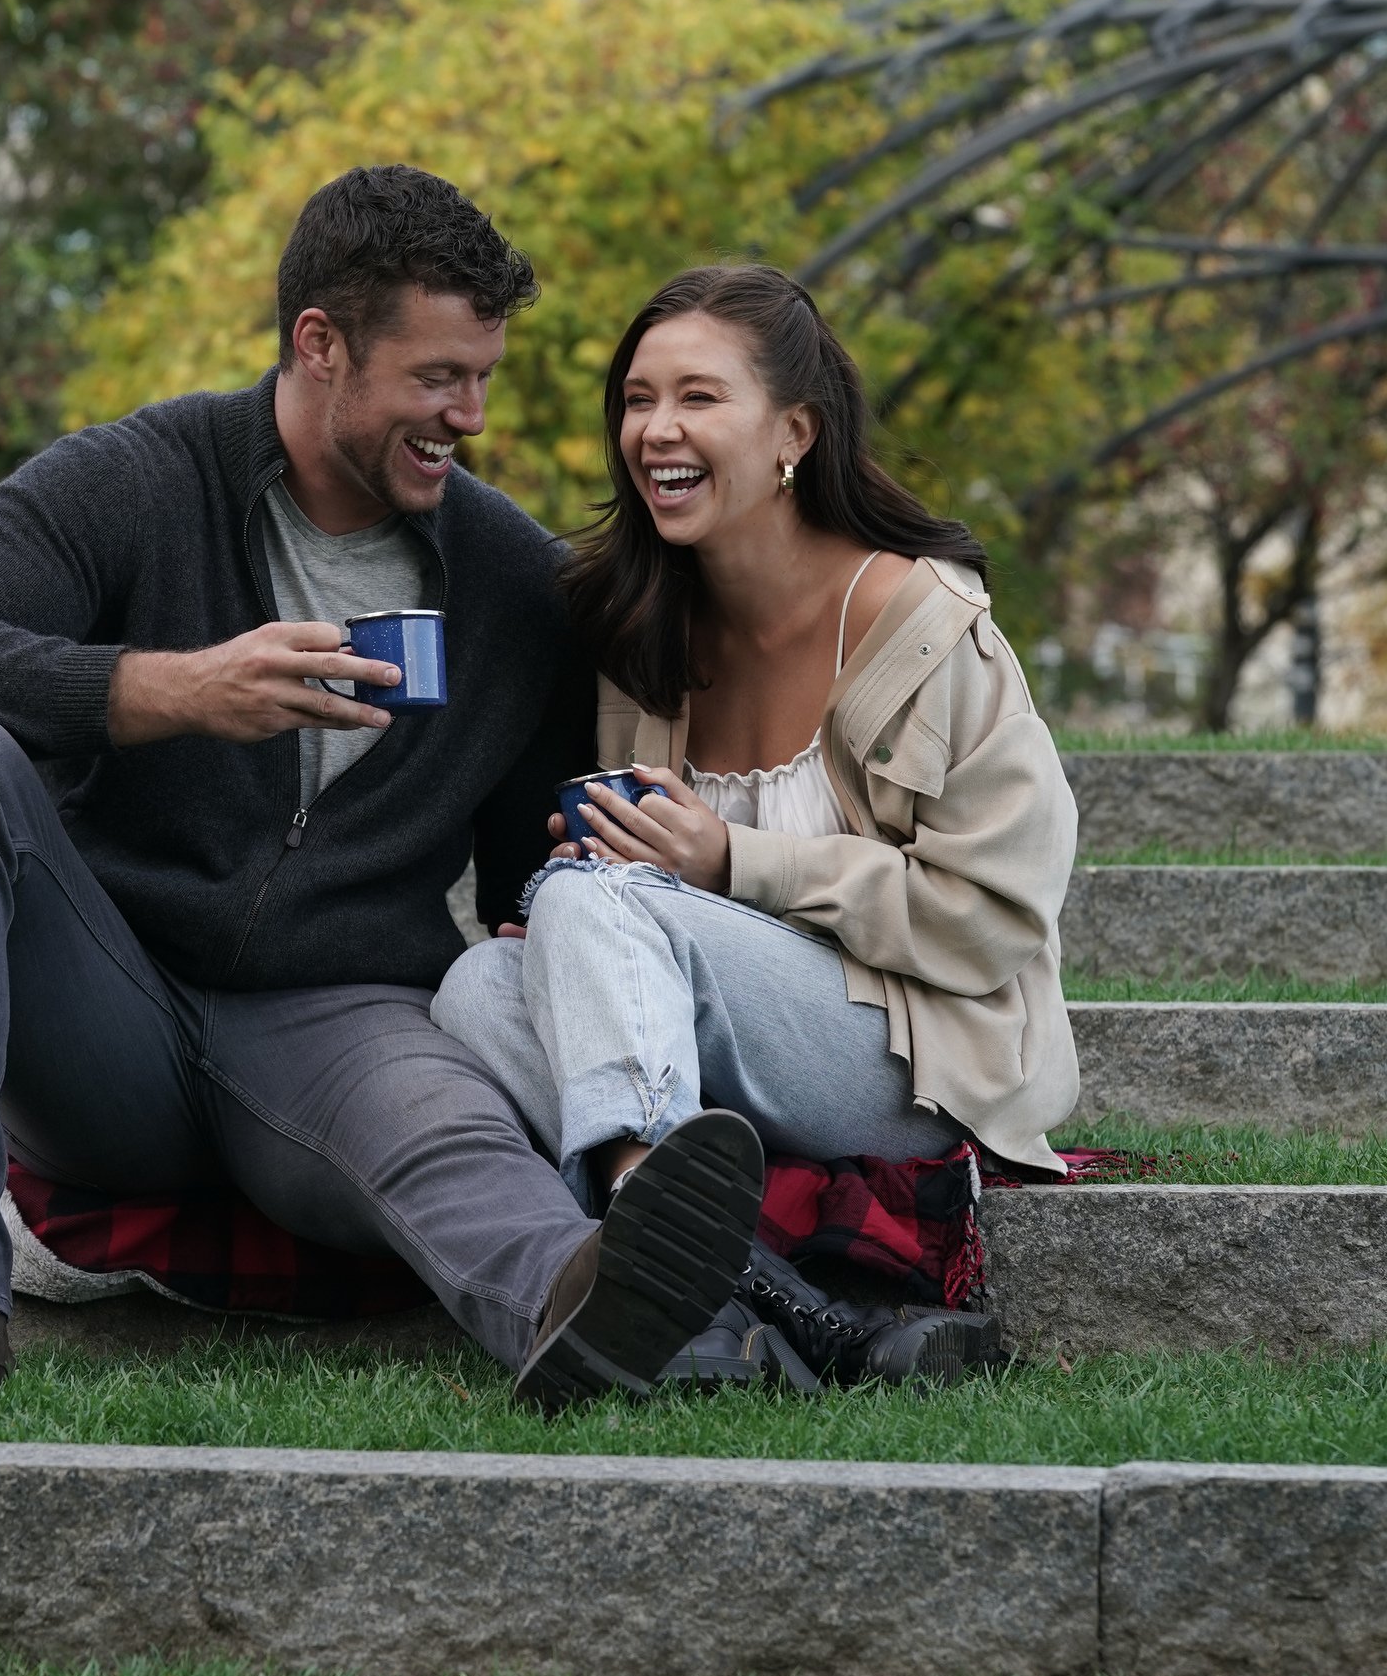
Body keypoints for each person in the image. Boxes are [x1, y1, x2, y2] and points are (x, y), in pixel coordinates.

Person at [0, 165, 767, 1408]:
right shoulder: (134, 482)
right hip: (100, 1010)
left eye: (483, 375)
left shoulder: (508, 580)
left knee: (441, 1127)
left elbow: (526, 883)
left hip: (341, 1020)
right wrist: (167, 690)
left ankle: (609, 1312)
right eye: (438, 377)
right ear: (321, 345)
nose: (470, 415)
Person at [432, 264, 1079, 1385]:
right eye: (637, 399)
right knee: (475, 991)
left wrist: (734, 860)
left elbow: (994, 922)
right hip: (725, 1050)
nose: (656, 429)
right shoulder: (646, 632)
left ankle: (691, 1268)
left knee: (593, 902)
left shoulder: (923, 628)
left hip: (916, 1048)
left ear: (794, 431)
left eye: (697, 397)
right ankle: (788, 1303)